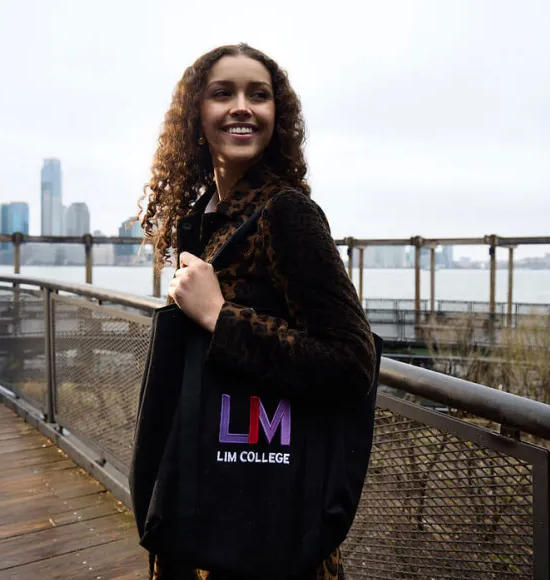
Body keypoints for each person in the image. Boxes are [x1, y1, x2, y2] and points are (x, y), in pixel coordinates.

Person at [140, 43, 377, 580]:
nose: (242, 107)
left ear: (278, 117)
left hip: (262, 513)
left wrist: (220, 316)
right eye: (222, 93)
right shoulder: (207, 216)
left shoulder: (285, 212)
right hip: (212, 495)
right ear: (196, 116)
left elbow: (351, 362)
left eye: (259, 95)